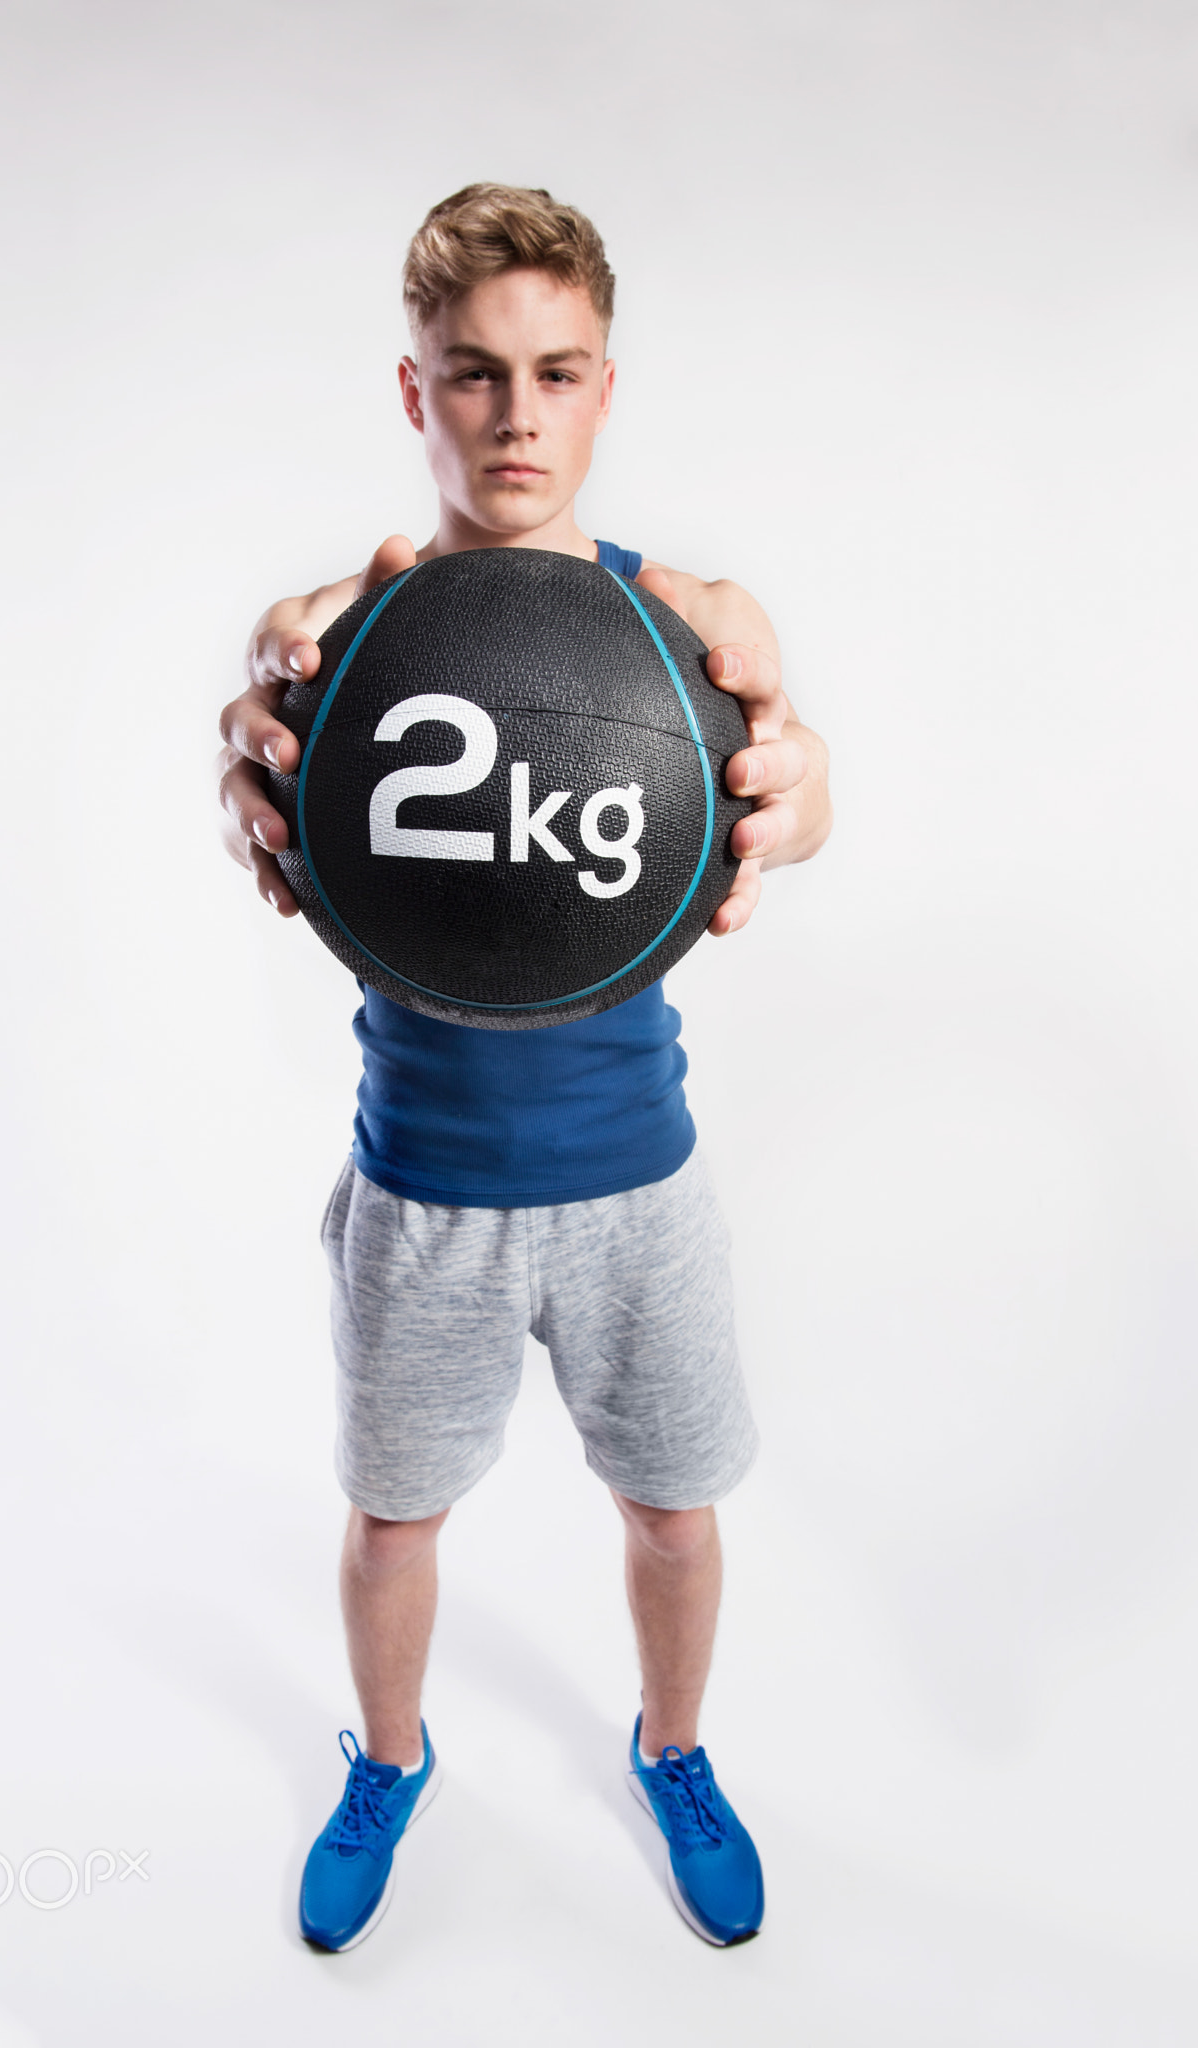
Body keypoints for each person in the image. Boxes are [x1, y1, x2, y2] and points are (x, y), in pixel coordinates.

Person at [215, 184, 833, 1952]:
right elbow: (261, 751)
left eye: (556, 373)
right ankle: (390, 1765)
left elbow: (794, 769)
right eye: (472, 375)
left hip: (640, 1182)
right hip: (424, 1188)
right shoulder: (343, 645)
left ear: (605, 390)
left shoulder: (680, 629)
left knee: (673, 1514)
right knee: (395, 1526)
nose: (516, 415)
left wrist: (802, 801)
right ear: (414, 393)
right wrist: (244, 752)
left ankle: (677, 1747)